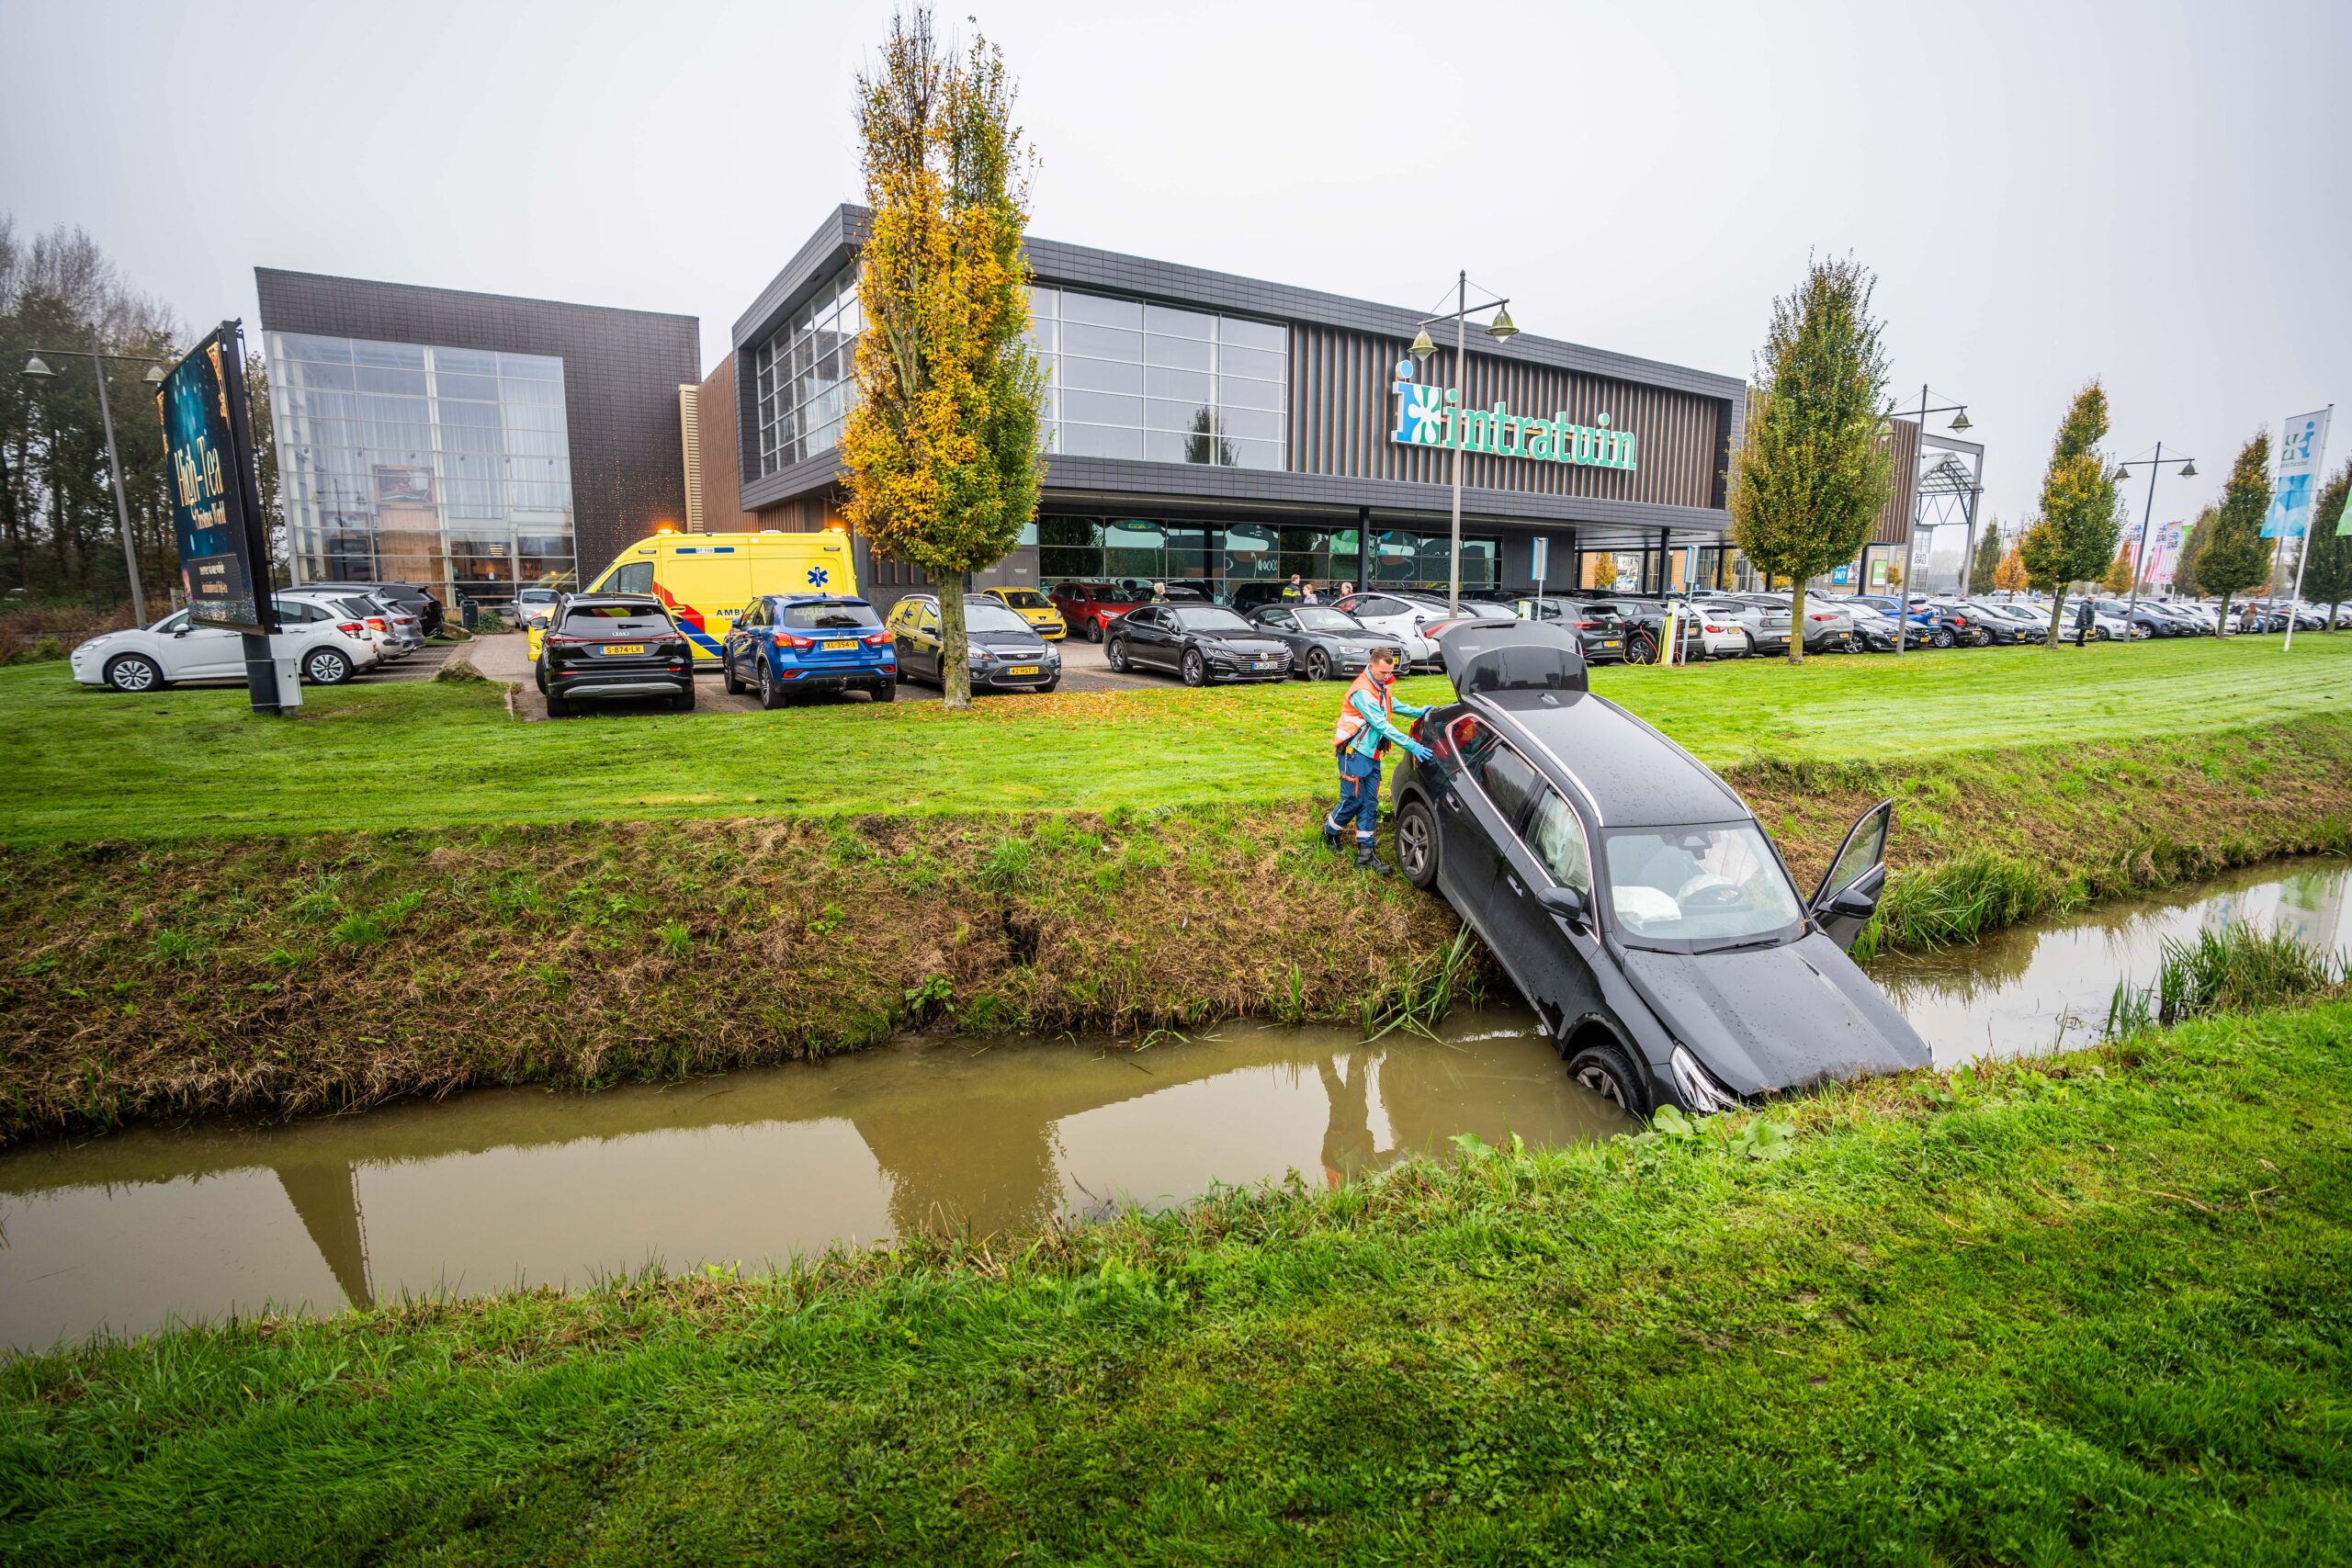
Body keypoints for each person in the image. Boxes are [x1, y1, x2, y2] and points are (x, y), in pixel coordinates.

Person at [1323, 645, 1432, 874]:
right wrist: (1411, 744)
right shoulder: (1363, 691)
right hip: (1353, 754)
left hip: (1371, 755)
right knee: (1353, 800)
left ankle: (1365, 854)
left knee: (1370, 803)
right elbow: (1380, 724)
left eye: (1390, 673)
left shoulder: (1379, 686)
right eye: (1383, 672)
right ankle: (1329, 834)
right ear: (1371, 666)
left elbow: (1394, 706)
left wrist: (1419, 711)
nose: (1387, 677)